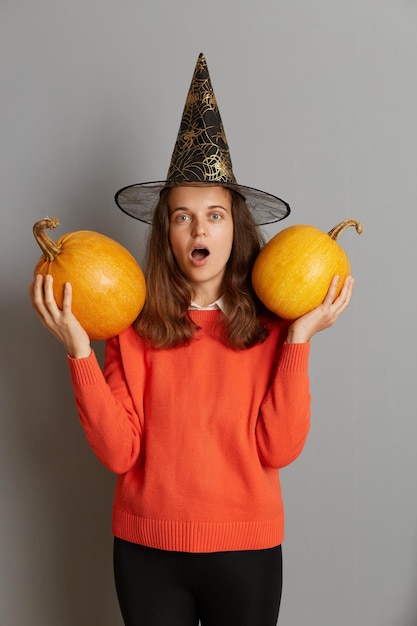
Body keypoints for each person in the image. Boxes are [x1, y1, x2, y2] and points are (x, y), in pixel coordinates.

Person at [30, 54, 354, 626]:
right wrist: (80, 350)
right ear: (167, 233)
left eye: (214, 215)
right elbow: (118, 453)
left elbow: (279, 449)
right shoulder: (128, 325)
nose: (199, 229)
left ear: (237, 228)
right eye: (182, 217)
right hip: (147, 551)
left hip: (247, 550)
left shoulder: (274, 327)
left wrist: (301, 337)